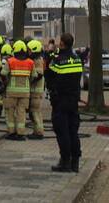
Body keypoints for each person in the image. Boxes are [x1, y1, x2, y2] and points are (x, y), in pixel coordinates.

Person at [45, 32, 83, 173]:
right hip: (73, 100)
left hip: (60, 100)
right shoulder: (77, 59)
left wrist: (50, 53)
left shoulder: (58, 60)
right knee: (73, 131)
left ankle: (65, 162)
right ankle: (75, 162)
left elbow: (49, 75)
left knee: (62, 132)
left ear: (61, 44)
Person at [1, 40, 34, 140]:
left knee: (10, 112)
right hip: (25, 93)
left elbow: (3, 74)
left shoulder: (10, 61)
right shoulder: (30, 62)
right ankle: (21, 133)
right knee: (21, 112)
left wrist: (6, 83)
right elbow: (34, 76)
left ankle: (11, 133)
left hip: (11, 92)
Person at [27, 39, 47, 139]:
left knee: (35, 112)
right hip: (34, 92)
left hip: (36, 92)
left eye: (29, 50)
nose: (28, 52)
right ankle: (36, 131)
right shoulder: (36, 60)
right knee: (33, 112)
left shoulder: (38, 61)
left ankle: (39, 133)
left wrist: (28, 80)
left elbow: (38, 75)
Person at [0, 42, 13, 118]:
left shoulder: (0, 60)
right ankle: (7, 113)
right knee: (6, 96)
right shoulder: (10, 61)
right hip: (7, 80)